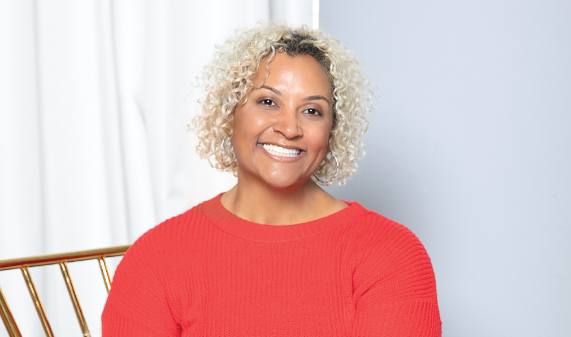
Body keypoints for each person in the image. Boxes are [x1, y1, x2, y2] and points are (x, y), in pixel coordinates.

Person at [102, 23, 441, 336]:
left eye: (312, 111)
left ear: (332, 130)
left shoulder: (390, 254)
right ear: (229, 114)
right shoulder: (157, 258)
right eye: (267, 102)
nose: (289, 128)